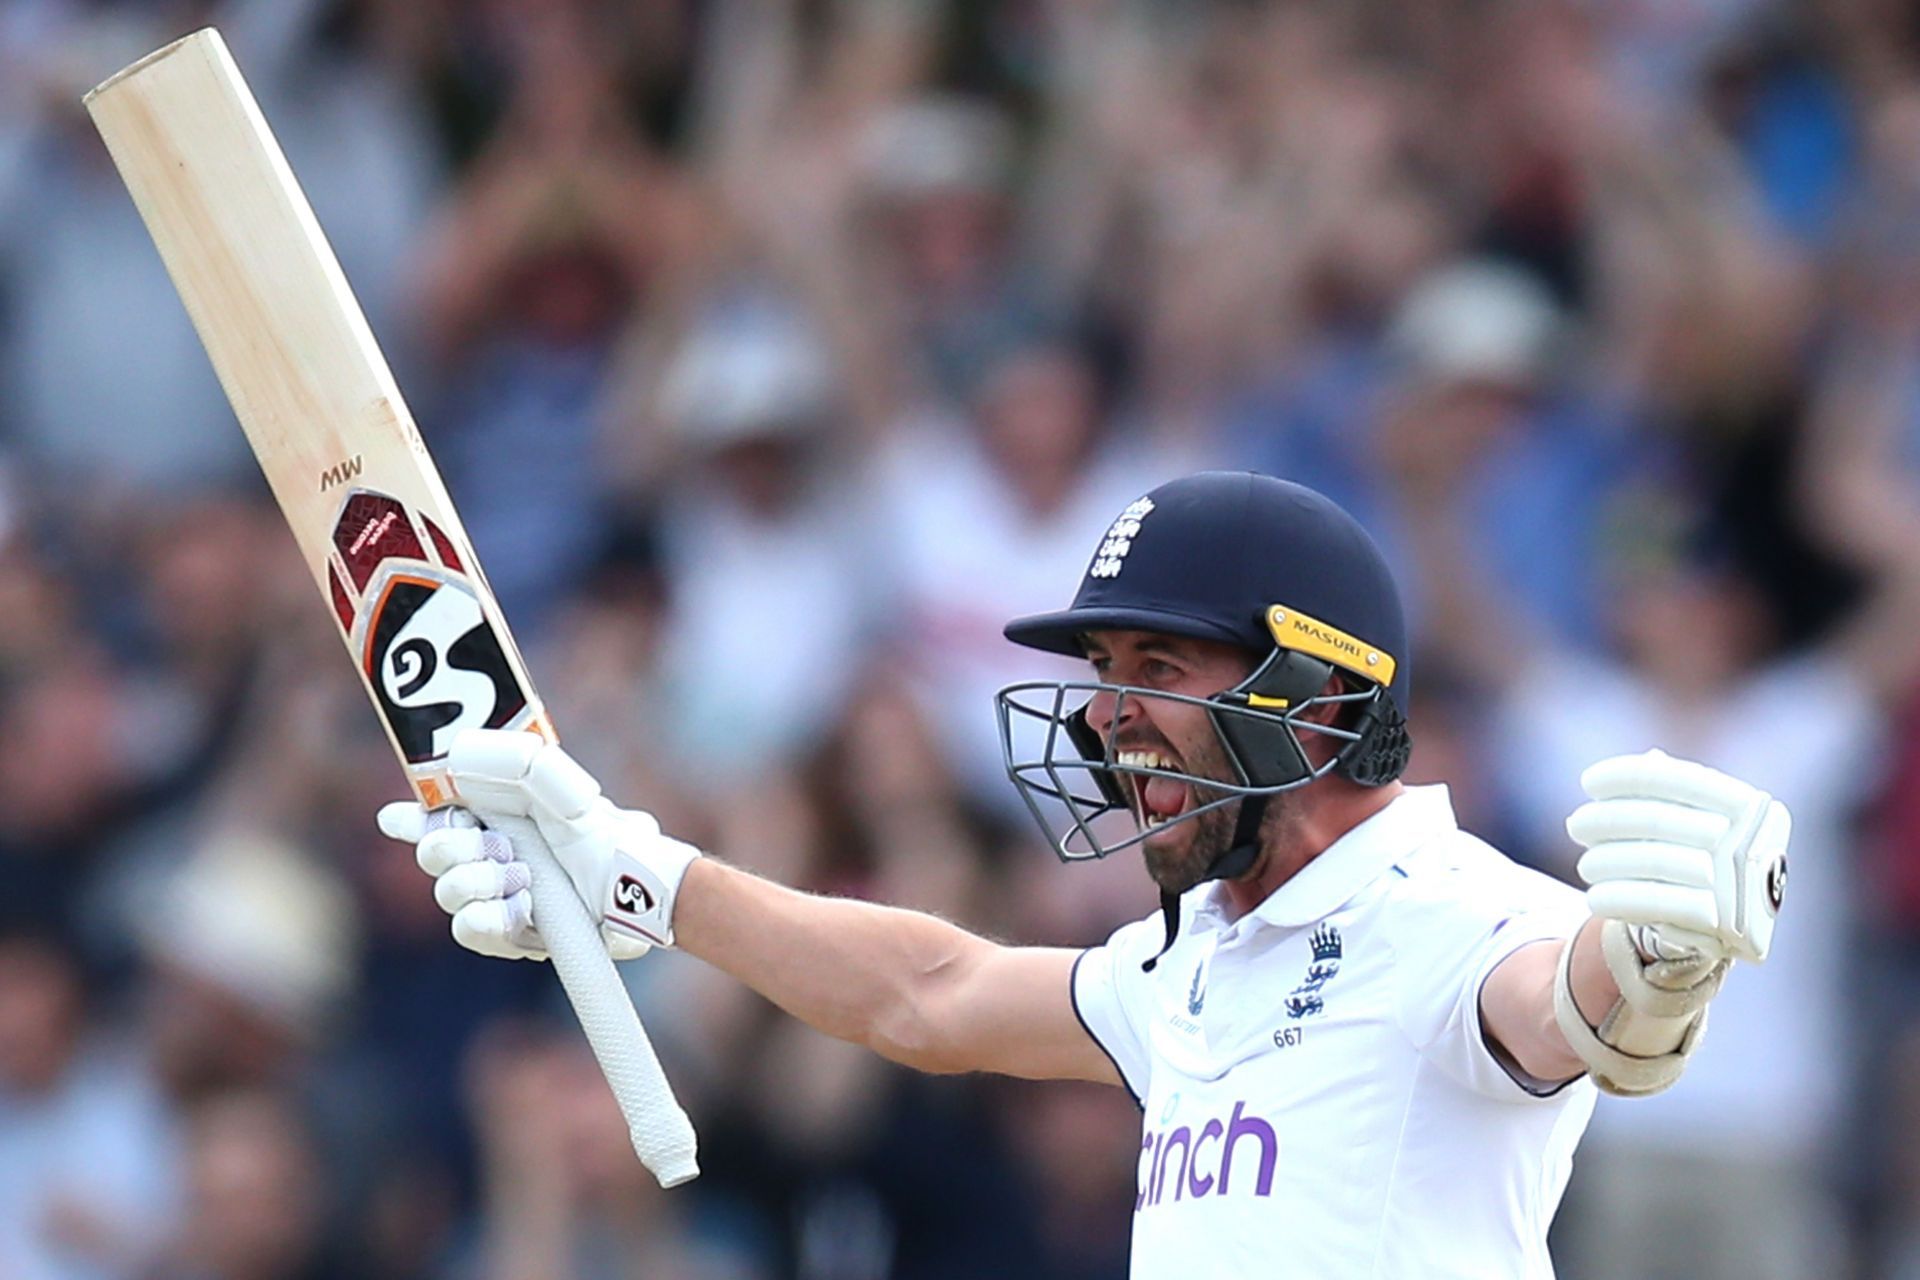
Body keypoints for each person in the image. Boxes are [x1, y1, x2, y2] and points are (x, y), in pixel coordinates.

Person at [379, 471, 1790, 1278]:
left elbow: (1568, 1004)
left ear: (1315, 700)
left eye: (1158, 669)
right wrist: (648, 881)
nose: (1110, 717)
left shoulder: (1455, 913)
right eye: (1106, 675)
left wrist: (1657, 964)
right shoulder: (1194, 958)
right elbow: (932, 994)